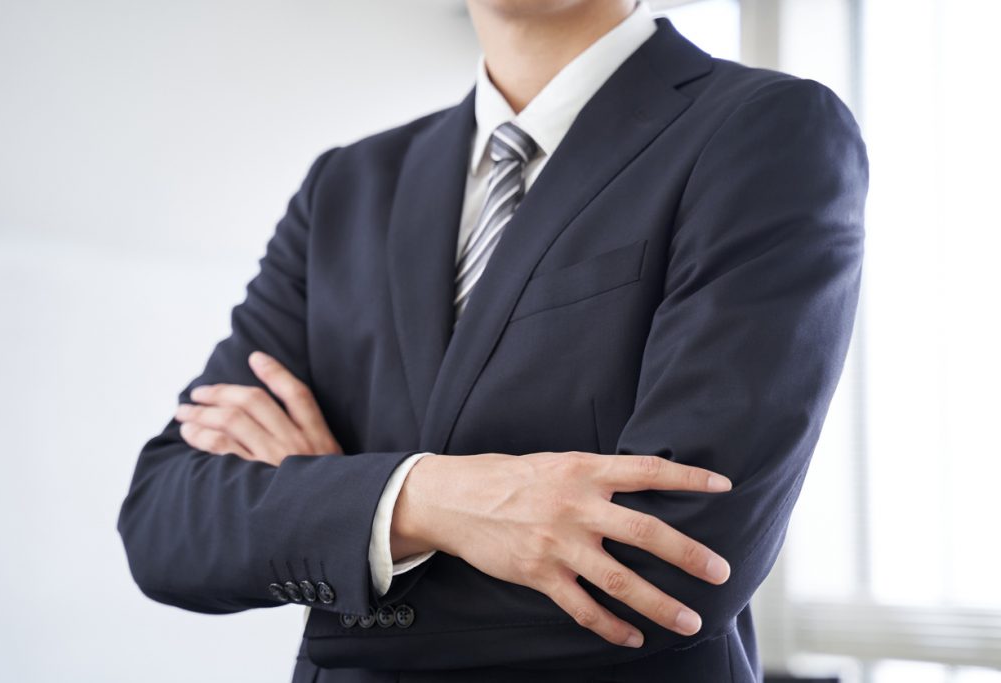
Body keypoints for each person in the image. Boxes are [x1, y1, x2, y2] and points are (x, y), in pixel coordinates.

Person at [117, 0, 868, 680]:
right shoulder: (345, 188)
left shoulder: (765, 132)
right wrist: (417, 500)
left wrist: (328, 512)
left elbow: (665, 562)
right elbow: (164, 522)